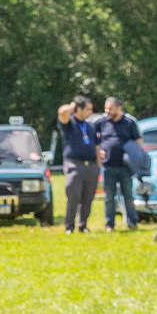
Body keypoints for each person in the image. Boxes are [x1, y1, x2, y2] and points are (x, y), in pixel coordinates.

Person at [95, 96, 141, 231]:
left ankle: (132, 222)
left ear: (119, 108)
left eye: (110, 108)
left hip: (125, 167)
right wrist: (98, 151)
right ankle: (110, 224)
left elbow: (138, 141)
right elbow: (93, 139)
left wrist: (135, 158)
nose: (107, 111)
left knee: (128, 196)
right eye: (106, 108)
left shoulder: (129, 122)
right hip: (108, 167)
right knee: (109, 197)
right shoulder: (101, 122)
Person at [55, 95, 99, 235]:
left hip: (91, 165)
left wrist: (99, 165)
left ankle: (83, 225)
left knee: (88, 197)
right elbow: (62, 112)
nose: (90, 112)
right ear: (78, 109)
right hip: (74, 165)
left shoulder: (90, 126)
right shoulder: (69, 123)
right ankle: (69, 226)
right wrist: (73, 105)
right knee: (74, 195)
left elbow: (96, 146)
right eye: (87, 109)